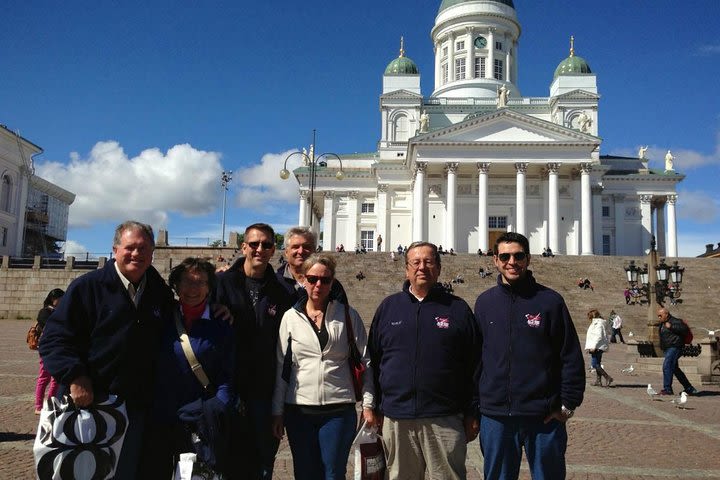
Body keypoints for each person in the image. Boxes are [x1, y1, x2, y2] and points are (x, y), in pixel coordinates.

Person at [39, 221, 176, 479]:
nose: (136, 254)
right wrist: (75, 376)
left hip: (135, 405)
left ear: (152, 253)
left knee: (127, 470)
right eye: (130, 247)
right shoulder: (87, 287)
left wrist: (217, 308)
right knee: (84, 471)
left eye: (143, 248)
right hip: (91, 401)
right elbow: (54, 339)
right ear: (115, 250)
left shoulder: (159, 292)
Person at [473, 232, 585, 480]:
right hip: (496, 415)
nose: (512, 261)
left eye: (518, 255)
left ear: (528, 258)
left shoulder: (550, 301)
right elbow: (475, 360)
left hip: (543, 415)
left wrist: (567, 404)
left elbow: (570, 355)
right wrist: (474, 407)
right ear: (495, 260)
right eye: (505, 256)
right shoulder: (484, 303)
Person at [368, 242, 479, 480]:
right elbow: (374, 361)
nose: (422, 267)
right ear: (406, 269)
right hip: (397, 417)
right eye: (415, 262)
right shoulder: (389, 308)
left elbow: (475, 364)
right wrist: (373, 406)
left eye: (428, 262)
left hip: (445, 417)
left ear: (438, 268)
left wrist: (472, 411)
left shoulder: (457, 309)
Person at [271, 254, 375, 480]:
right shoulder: (290, 317)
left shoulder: (348, 314)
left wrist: (368, 404)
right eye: (313, 278)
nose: (318, 284)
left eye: (325, 280)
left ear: (333, 282)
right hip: (299, 409)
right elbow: (282, 367)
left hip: (338, 409)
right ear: (304, 280)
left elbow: (365, 361)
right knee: (305, 473)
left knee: (333, 473)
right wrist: (277, 411)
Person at [214, 223, 294, 480]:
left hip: (264, 389)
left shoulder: (284, 291)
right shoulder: (221, 284)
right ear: (243, 247)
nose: (260, 249)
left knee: (262, 463)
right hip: (227, 387)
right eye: (255, 244)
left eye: (267, 244)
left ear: (274, 250)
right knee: (226, 460)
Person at [142, 258, 235, 478]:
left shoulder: (221, 322)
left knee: (195, 474)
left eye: (200, 282)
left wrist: (218, 405)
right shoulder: (161, 318)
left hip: (201, 416)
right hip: (162, 414)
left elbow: (228, 372)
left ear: (209, 287)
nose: (193, 288)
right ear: (176, 286)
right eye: (187, 281)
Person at [277, 226, 348, 306]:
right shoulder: (274, 282)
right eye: (295, 247)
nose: (301, 251)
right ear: (286, 252)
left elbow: (343, 314)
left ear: (314, 251)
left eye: (306, 247)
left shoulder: (331, 284)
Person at [33, 288, 64, 414]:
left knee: (56, 378)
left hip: (59, 347)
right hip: (47, 348)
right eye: (61, 298)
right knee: (44, 377)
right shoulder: (44, 312)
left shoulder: (60, 311)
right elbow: (51, 327)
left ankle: (51, 403)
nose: (63, 301)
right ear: (53, 299)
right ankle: (38, 406)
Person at [657, 307, 698, 396]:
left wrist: (672, 327)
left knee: (667, 366)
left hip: (675, 347)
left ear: (666, 314)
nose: (659, 317)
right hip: (668, 348)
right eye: (658, 316)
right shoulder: (662, 323)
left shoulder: (676, 321)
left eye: (660, 315)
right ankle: (689, 388)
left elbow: (685, 330)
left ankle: (667, 389)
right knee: (675, 369)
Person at [585, 309, 612, 387]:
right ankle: (598, 381)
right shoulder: (597, 323)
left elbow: (599, 336)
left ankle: (608, 377)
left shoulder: (598, 324)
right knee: (598, 364)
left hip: (597, 347)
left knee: (594, 364)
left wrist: (593, 346)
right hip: (598, 346)